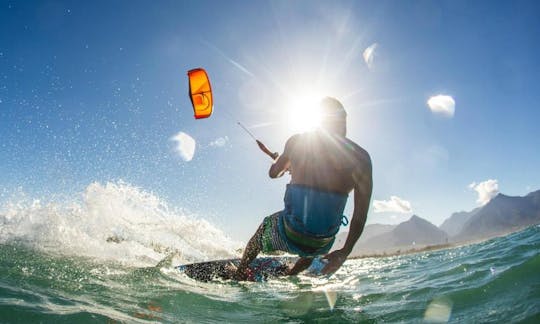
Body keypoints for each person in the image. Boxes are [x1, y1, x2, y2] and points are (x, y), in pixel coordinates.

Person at [234, 97, 372, 280]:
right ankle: (291, 273)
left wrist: (282, 161)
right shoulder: (362, 158)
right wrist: (345, 252)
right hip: (323, 242)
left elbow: (273, 173)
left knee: (263, 230)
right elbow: (360, 216)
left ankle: (240, 272)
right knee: (311, 251)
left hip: (291, 232)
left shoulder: (297, 142)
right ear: (344, 120)